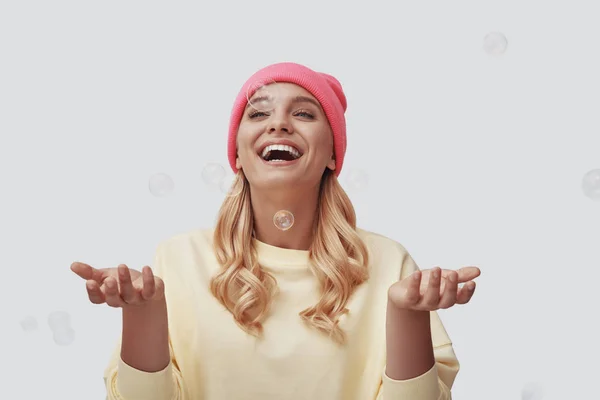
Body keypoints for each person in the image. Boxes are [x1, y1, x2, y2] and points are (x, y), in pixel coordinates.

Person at [71, 62, 480, 400]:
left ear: (334, 152)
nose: (279, 124)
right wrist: (141, 315)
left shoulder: (388, 263)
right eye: (259, 112)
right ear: (237, 152)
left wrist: (407, 316)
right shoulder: (179, 258)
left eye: (303, 113)